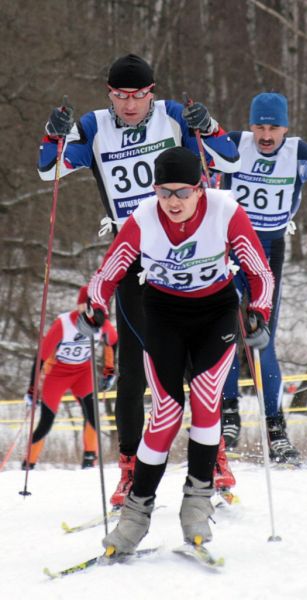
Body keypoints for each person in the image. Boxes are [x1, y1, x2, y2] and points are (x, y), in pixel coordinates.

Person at [37, 54, 240, 505]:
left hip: (181, 251)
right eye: (120, 96)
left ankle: (214, 457)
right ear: (109, 93)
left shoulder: (172, 116)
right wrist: (53, 133)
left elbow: (231, 156)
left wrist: (209, 127)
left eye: (138, 95)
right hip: (131, 251)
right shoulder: (92, 126)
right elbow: (50, 170)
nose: (129, 105)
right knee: (133, 368)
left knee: (193, 360)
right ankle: (130, 466)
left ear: (152, 92)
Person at [82, 146, 273, 554]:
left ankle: (197, 505)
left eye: (182, 192)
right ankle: (136, 515)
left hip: (215, 313)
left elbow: (259, 271)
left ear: (200, 189)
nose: (172, 201)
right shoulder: (142, 218)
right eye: (164, 192)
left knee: (206, 400)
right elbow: (107, 274)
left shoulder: (225, 210)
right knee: (166, 414)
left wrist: (259, 312)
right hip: (164, 314)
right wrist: (94, 307)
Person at [221, 92, 307, 463]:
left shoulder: (298, 151)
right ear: (250, 125)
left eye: (273, 127)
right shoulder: (233, 144)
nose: (265, 134)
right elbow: (199, 166)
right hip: (228, 248)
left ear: (285, 127)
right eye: (259, 126)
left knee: (263, 338)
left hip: (269, 251)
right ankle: (228, 414)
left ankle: (275, 427)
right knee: (224, 332)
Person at [22, 286, 117, 469]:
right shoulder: (63, 323)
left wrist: (109, 371)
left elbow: (112, 342)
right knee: (46, 421)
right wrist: (33, 388)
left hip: (83, 373)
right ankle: (29, 464)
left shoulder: (101, 322)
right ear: (79, 305)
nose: (90, 310)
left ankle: (89, 461)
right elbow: (41, 356)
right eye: (85, 305)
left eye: (95, 306)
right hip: (57, 374)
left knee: (93, 416)